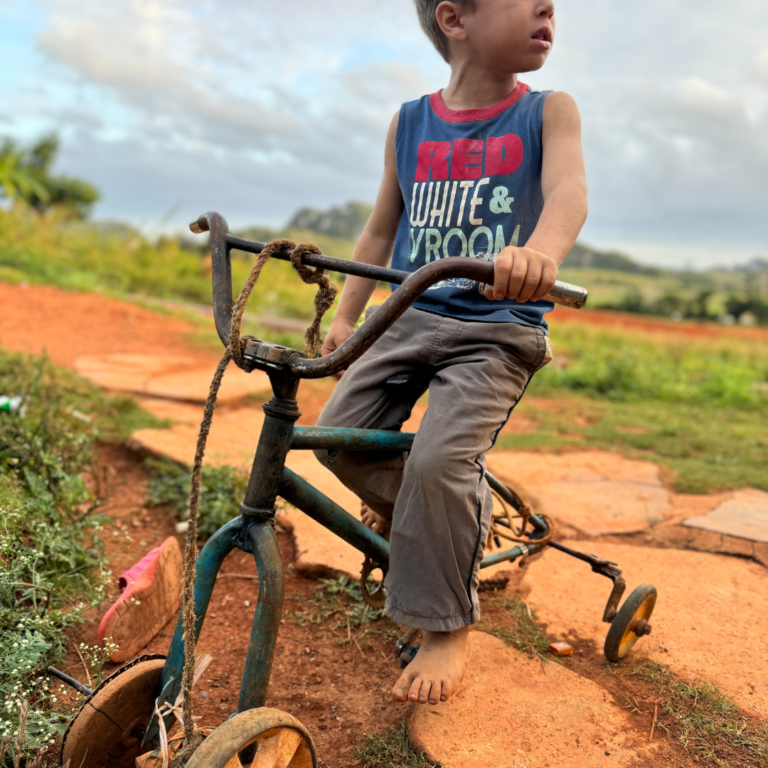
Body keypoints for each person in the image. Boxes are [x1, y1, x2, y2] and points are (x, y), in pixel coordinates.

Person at [314, 0, 587, 707]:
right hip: (406, 312)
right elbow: (380, 228)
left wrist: (540, 254)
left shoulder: (549, 110)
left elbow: (569, 192)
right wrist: (347, 314)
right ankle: (434, 513)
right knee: (334, 439)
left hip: (494, 327)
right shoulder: (410, 122)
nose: (547, 8)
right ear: (455, 19)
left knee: (440, 460)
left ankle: (444, 624)